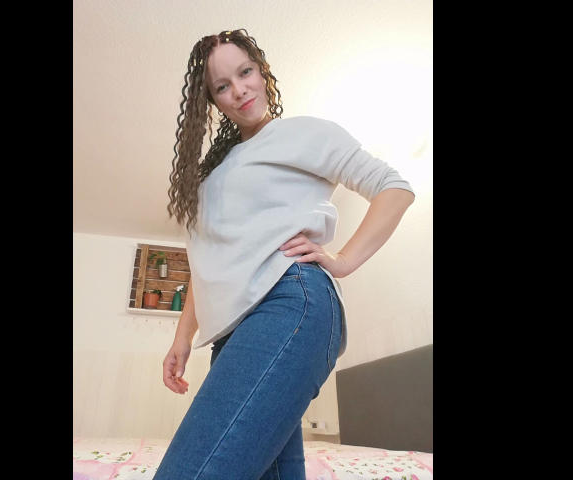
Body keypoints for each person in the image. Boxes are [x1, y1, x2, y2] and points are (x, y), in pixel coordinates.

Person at [155, 29, 415, 480]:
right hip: (231, 335)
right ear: (212, 102)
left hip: (288, 303)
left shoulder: (303, 133)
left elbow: (394, 187)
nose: (240, 90)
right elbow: (208, 262)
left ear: (262, 71)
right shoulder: (211, 175)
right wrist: (182, 338)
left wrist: (343, 260)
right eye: (223, 86)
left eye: (245, 72)